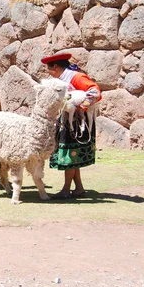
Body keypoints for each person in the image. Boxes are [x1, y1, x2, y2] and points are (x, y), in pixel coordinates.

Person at [41, 53, 102, 199]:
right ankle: (79, 188)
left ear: (55, 66)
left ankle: (66, 190)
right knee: (73, 156)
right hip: (67, 121)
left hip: (77, 124)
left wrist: (80, 106)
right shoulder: (62, 79)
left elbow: (95, 92)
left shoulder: (76, 77)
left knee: (70, 155)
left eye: (48, 68)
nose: (48, 72)